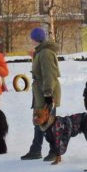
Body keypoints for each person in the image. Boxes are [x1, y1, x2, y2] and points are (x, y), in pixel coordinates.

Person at [21, 27, 61, 161]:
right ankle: (36, 149)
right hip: (40, 92)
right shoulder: (40, 52)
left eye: (31, 38)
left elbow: (49, 74)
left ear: (35, 39)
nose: (30, 41)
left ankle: (54, 150)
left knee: (49, 123)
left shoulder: (45, 53)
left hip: (46, 92)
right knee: (39, 121)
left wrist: (48, 94)